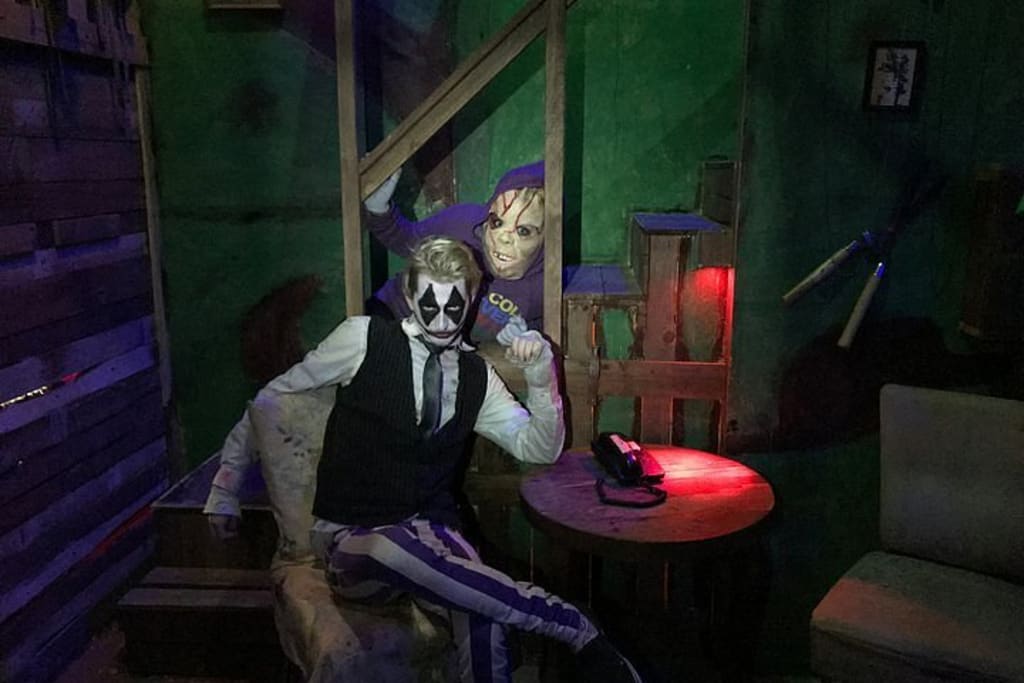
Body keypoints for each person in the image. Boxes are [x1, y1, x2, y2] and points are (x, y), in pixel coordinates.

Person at [204, 236, 644, 683]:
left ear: (471, 300)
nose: (441, 320)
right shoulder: (364, 338)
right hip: (353, 542)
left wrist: (539, 373)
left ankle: (565, 633)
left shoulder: (476, 376)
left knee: (482, 614)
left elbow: (540, 448)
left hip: (433, 532)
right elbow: (272, 400)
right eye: (429, 305)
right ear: (411, 296)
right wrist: (226, 485)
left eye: (454, 306)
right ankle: (570, 624)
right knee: (385, 548)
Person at [364, 161, 546, 341]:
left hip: (451, 348)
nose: (504, 238)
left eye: (524, 231)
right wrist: (378, 209)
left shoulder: (544, 286)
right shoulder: (461, 224)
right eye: (496, 222)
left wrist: (527, 340)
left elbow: (542, 332)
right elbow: (407, 240)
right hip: (393, 314)